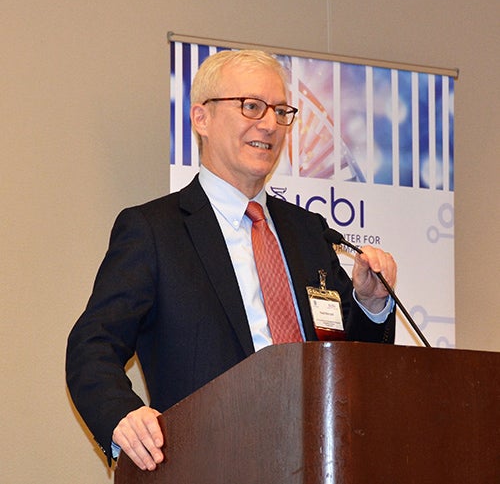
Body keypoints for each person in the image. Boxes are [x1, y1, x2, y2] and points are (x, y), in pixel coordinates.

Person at [66, 49, 397, 472]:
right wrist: (122, 416)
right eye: (251, 106)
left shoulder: (309, 232)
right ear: (201, 118)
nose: (270, 124)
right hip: (207, 464)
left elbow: (349, 362)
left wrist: (370, 305)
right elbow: (91, 344)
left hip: (320, 461)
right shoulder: (154, 230)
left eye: (280, 111)